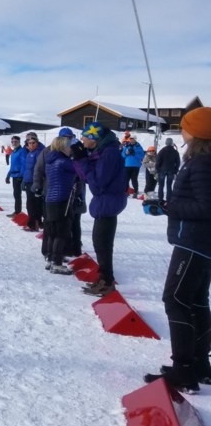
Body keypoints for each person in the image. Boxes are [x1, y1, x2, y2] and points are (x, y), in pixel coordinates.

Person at [143, 107, 211, 393]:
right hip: (198, 242)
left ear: (195, 133)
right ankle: (199, 365)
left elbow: (206, 206)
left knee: (175, 299)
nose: (181, 131)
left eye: (184, 127)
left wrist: (170, 206)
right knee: (195, 301)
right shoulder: (199, 161)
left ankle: (183, 369)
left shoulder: (202, 164)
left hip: (194, 243)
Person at [71, 121, 127, 297]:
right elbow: (87, 178)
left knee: (102, 243)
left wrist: (82, 160)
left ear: (94, 138)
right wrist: (82, 159)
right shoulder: (102, 151)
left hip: (108, 201)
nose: (82, 139)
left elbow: (98, 183)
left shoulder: (109, 153)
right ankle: (104, 279)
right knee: (100, 242)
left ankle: (107, 281)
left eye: (85, 136)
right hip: (105, 200)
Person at [42, 135, 77, 274]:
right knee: (61, 232)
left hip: (51, 199)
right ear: (63, 147)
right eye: (69, 146)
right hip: (62, 199)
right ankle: (57, 262)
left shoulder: (51, 160)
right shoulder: (63, 161)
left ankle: (51, 258)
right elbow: (80, 170)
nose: (71, 149)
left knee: (52, 231)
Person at [155, 136, 181, 201]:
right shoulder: (175, 152)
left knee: (161, 185)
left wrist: (157, 170)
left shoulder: (162, 151)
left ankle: (160, 199)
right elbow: (178, 162)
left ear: (166, 143)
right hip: (171, 170)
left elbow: (158, 161)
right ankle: (169, 199)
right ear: (172, 143)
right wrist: (176, 170)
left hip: (162, 170)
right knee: (169, 186)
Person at [5, 136, 25, 217]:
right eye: (12, 141)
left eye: (16, 141)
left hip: (18, 176)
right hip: (14, 175)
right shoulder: (13, 152)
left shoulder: (22, 151)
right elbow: (12, 166)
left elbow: (24, 165)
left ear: (19, 142)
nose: (14, 143)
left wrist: (21, 176)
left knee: (17, 194)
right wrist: (8, 175)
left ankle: (18, 212)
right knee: (16, 194)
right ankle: (17, 211)